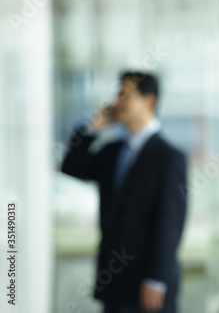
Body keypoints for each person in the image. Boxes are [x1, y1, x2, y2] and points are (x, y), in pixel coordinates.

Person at [62, 72, 187, 313]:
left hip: (148, 285)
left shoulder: (169, 157)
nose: (117, 102)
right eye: (117, 94)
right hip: (113, 282)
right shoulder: (112, 151)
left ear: (149, 101)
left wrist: (156, 278)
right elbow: (71, 166)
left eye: (124, 94)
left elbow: (170, 223)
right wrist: (93, 128)